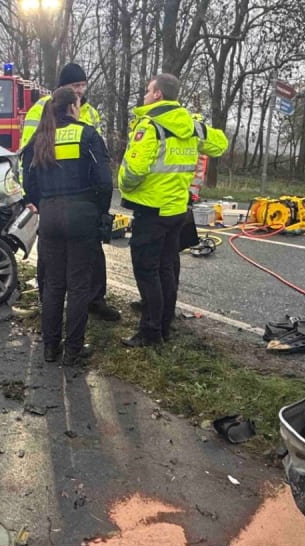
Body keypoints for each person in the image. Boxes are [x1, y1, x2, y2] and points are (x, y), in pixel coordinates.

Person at [118, 73, 228, 347]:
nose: (144, 95)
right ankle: (164, 326)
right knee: (166, 269)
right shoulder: (190, 125)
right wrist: (199, 129)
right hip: (178, 210)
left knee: (146, 272)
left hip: (152, 210)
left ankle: (150, 332)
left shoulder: (151, 126)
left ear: (158, 95)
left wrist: (123, 185)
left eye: (147, 90)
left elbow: (135, 169)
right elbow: (220, 145)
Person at [20, 62, 119, 323]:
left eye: (82, 85)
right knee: (51, 262)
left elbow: (99, 155)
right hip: (54, 191)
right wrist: (35, 197)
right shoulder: (40, 109)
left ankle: (95, 300)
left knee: (91, 256)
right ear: (62, 88)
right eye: (74, 86)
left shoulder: (91, 113)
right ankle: (50, 301)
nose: (79, 91)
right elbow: (28, 152)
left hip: (83, 196)